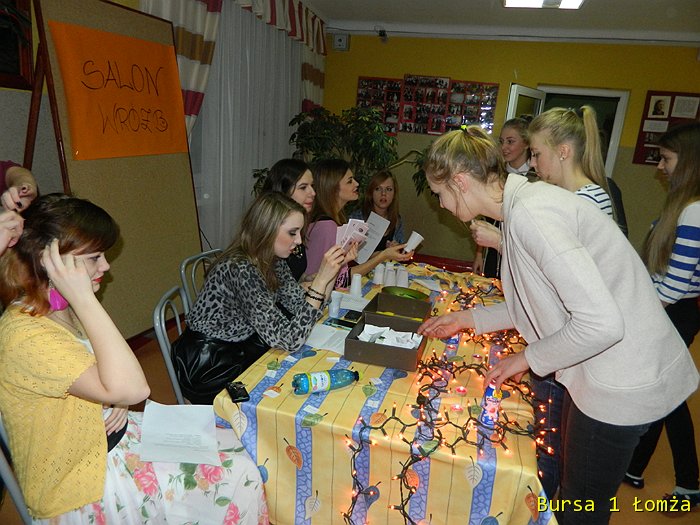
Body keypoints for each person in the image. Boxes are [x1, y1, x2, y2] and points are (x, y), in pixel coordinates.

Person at [417, 126, 699, 525]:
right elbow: (540, 302)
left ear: (460, 181)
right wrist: (468, 319)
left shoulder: (532, 214)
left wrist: (526, 358)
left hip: (620, 382)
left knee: (580, 507)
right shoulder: (521, 207)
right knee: (575, 491)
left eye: (439, 193)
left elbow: (600, 323)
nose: (441, 204)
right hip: (610, 371)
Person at [0, 194, 267, 523]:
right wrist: (84, 299)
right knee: (241, 474)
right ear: (50, 261)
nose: (105, 266)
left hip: (108, 437)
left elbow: (110, 378)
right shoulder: (25, 333)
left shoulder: (60, 308)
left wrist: (114, 398)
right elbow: (134, 389)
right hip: (79, 479)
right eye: (94, 257)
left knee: (237, 442)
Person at [172, 192, 351, 404]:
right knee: (281, 394)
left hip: (239, 344)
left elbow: (303, 308)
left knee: (291, 379)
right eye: (292, 233)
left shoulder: (273, 259)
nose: (299, 241)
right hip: (208, 362)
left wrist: (331, 272)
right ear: (266, 230)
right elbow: (290, 340)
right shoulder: (240, 269)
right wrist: (320, 280)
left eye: (299, 232)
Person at [624, 122, 700, 508]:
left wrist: (636, 315)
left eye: (666, 159)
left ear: (688, 162)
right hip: (670, 310)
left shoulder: (694, 211)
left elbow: (674, 286)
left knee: (668, 396)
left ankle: (689, 483)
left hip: (674, 312)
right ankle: (636, 467)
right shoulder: (684, 206)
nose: (659, 166)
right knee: (662, 394)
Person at [305, 159, 412, 288]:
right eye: (350, 181)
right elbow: (337, 280)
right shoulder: (327, 225)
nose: (357, 184)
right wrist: (383, 255)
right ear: (333, 187)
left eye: (389, 189)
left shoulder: (334, 220)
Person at [473, 116, 535, 278]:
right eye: (501, 142)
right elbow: (485, 219)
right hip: (493, 254)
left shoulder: (535, 179)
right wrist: (479, 254)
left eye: (510, 142)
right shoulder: (496, 176)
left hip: (522, 255)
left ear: (526, 143)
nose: (504, 147)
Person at [261, 158, 315, 280]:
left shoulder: (298, 227)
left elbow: (290, 276)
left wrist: (307, 279)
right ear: (283, 191)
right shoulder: (266, 240)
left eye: (312, 186)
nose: (313, 193)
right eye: (303, 187)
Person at [349, 169, 404, 250]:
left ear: (394, 194)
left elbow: (402, 249)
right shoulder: (357, 218)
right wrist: (384, 253)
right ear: (371, 193)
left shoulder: (397, 220)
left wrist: (397, 248)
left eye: (388, 189)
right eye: (378, 189)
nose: (383, 194)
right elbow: (350, 253)